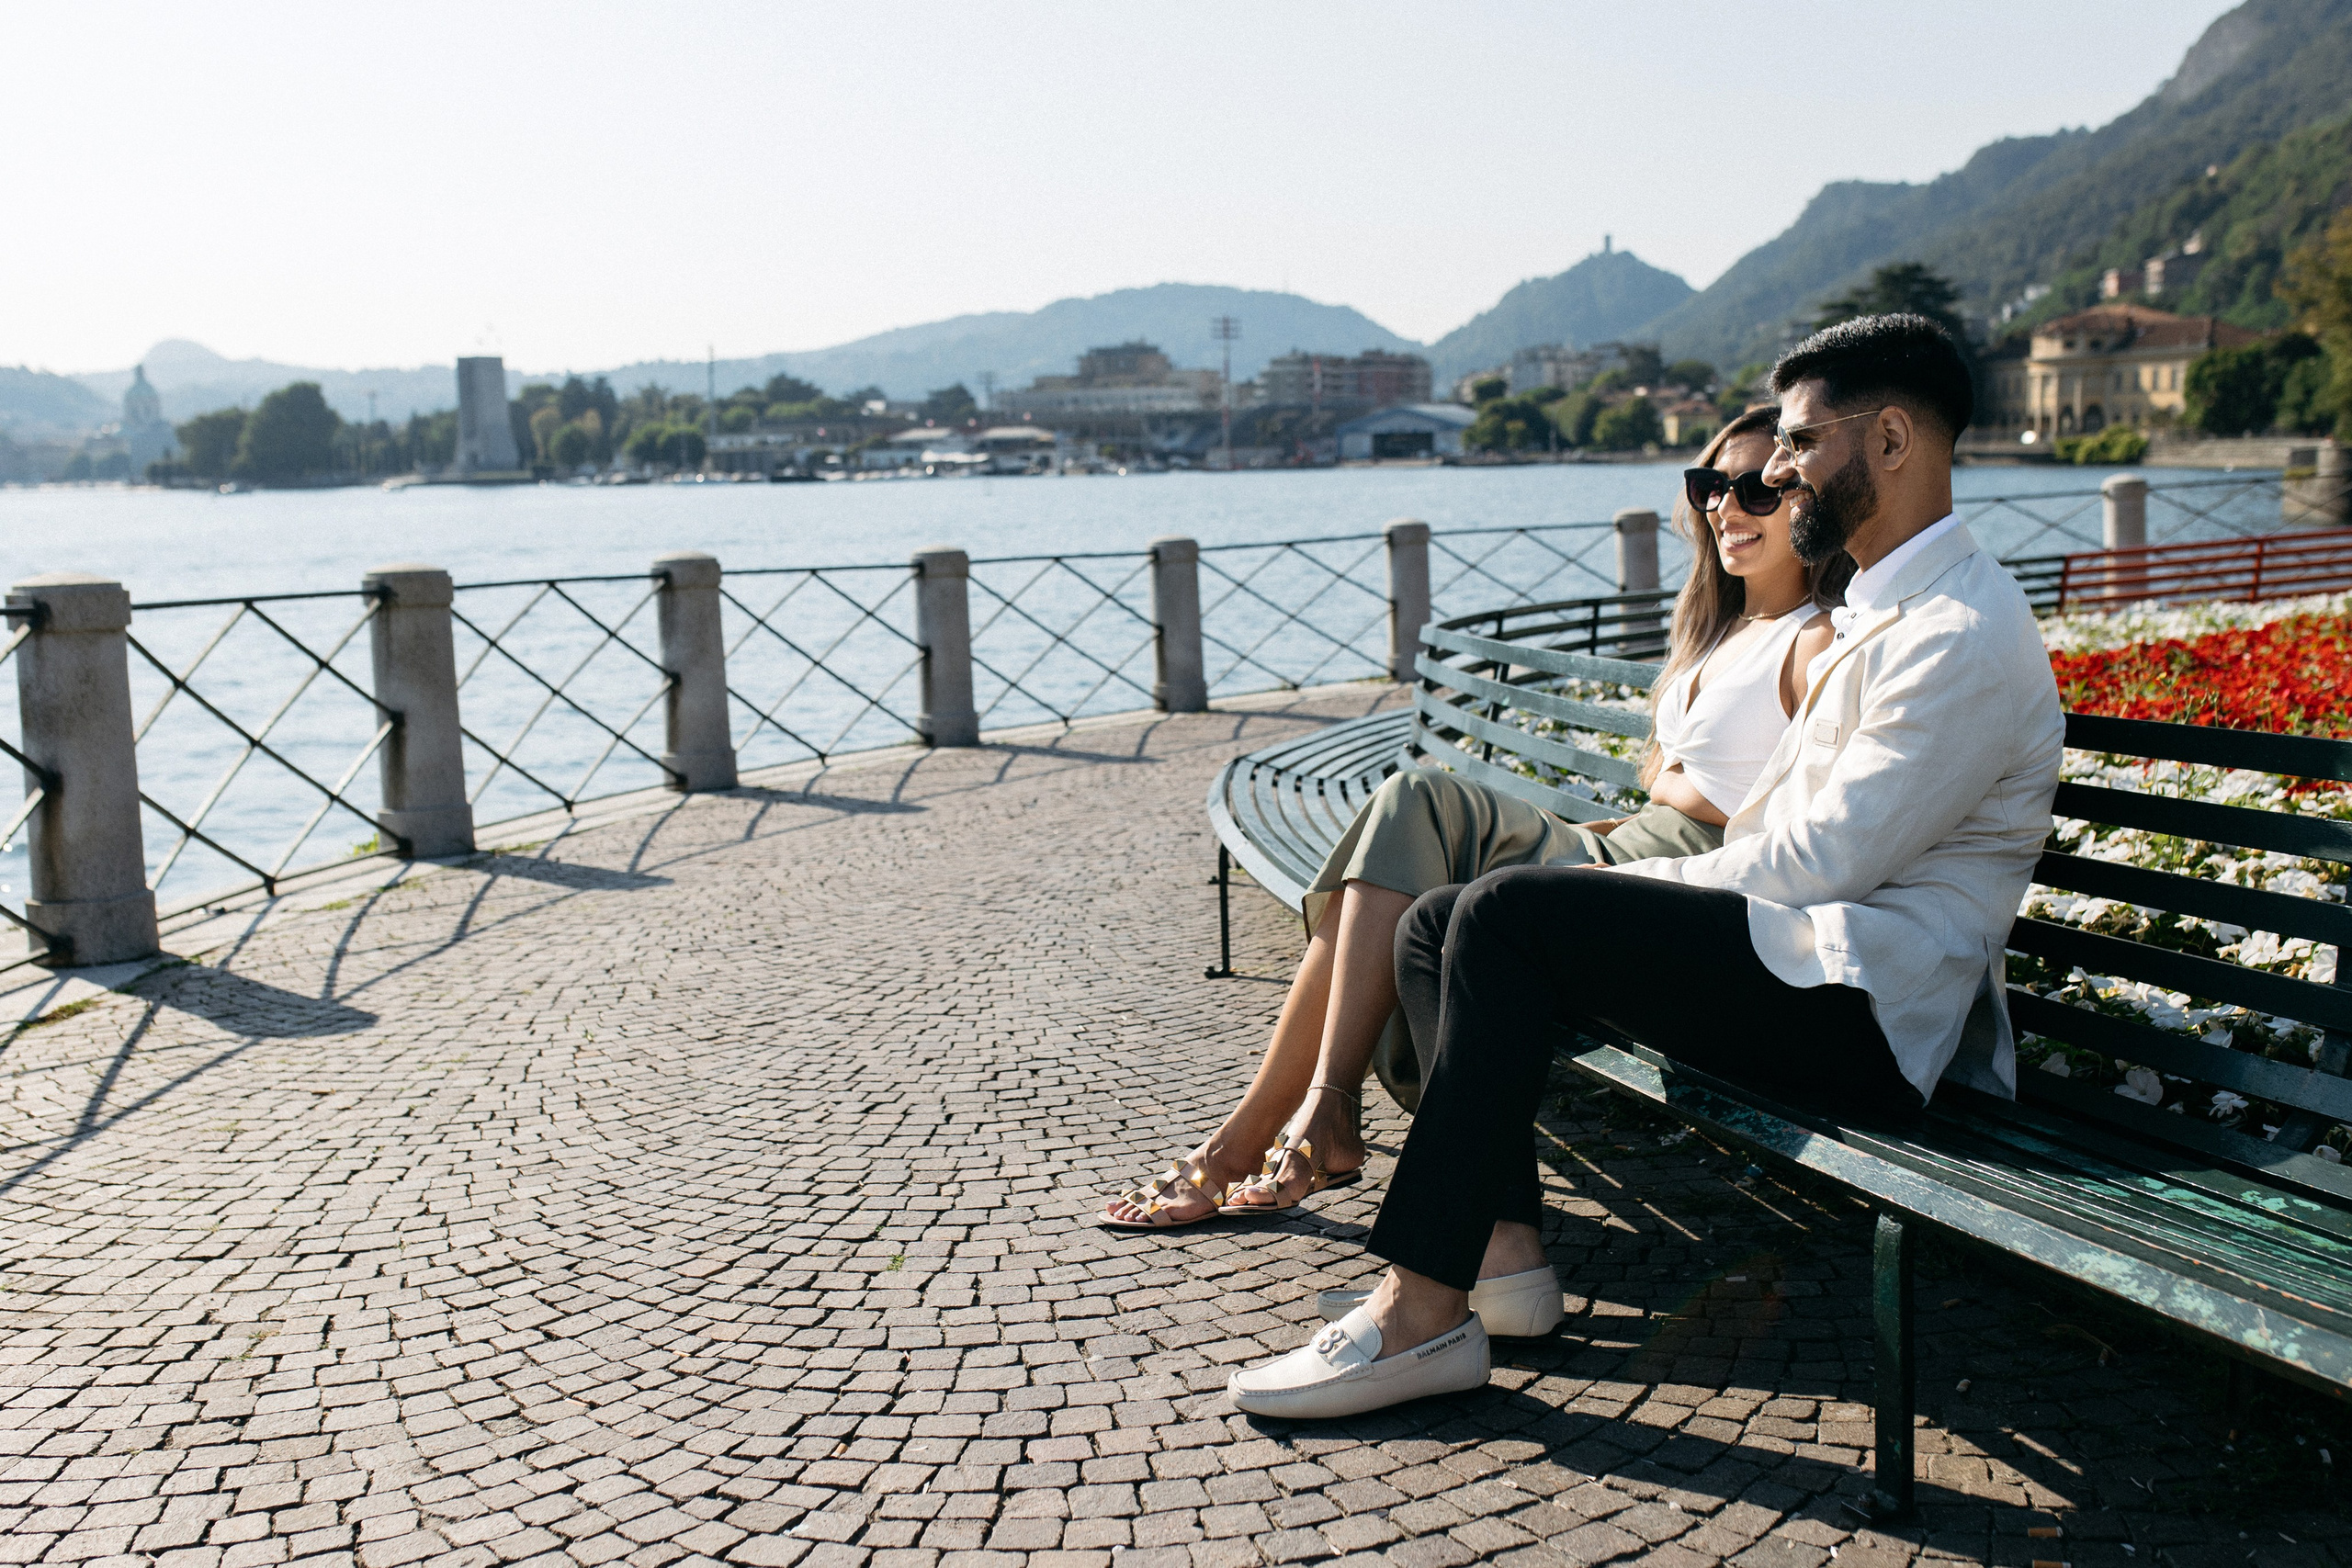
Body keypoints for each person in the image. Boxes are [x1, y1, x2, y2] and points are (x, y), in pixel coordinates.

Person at [1227, 313, 2065, 1419]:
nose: (1776, 469)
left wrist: (1611, 893)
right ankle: (1498, 1264)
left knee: (1507, 914)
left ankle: (1416, 1315)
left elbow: (1819, 865)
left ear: (1895, 439)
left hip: (1866, 1009)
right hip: (1802, 965)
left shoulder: (1953, 630)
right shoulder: (1885, 607)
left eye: (1803, 444)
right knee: (1439, 919)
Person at [1102, 404, 1848, 1244]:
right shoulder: (1722, 631)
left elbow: (1800, 812)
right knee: (1382, 870)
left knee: (1413, 804)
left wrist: (1676, 797)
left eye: (1760, 488)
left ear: (1807, 502)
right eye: (1712, 485)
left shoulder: (1816, 640)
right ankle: (1295, 1120)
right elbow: (1670, 782)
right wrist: (1658, 795)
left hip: (1681, 887)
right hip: (1620, 846)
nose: (1728, 507)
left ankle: (1288, 1123)